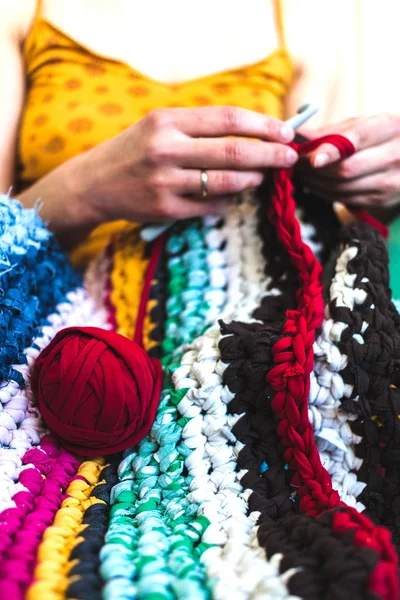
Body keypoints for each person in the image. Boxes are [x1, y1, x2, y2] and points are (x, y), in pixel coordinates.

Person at [0, 0, 399, 259]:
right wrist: (86, 191)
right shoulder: (21, 11)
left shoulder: (305, 17)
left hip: (242, 357)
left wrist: (377, 193)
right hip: (48, 342)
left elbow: (317, 235)